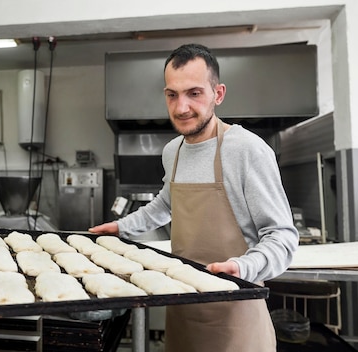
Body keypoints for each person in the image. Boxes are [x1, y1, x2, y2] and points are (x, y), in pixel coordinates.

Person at [89, 44, 299, 351]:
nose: (181, 107)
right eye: (172, 95)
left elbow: (282, 237)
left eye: (194, 93)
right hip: (182, 310)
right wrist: (122, 228)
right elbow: (165, 203)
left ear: (219, 94)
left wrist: (243, 267)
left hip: (234, 313)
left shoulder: (246, 150)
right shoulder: (173, 151)